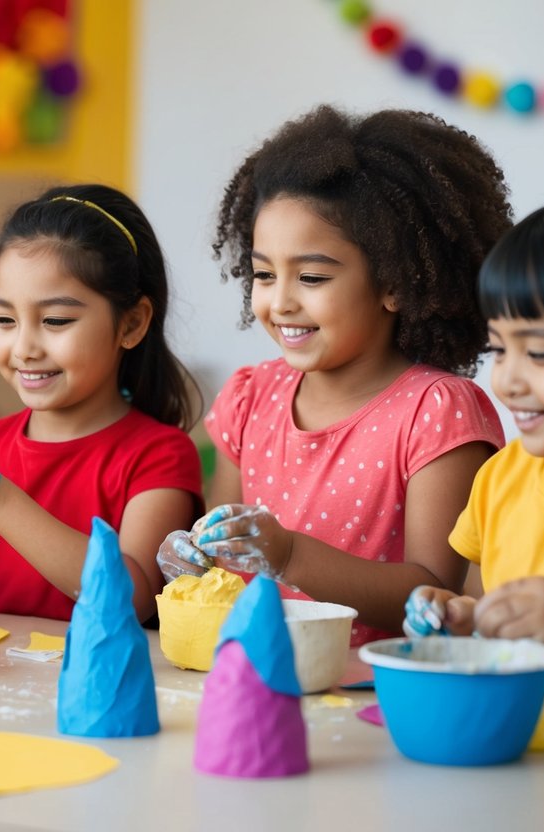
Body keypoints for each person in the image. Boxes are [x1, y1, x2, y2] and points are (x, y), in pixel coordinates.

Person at [157, 105, 512, 646]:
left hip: (371, 699)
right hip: (254, 675)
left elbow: (433, 591)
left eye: (313, 276)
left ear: (397, 282)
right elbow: (228, 558)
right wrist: (192, 556)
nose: (280, 302)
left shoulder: (438, 412)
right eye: (264, 274)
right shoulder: (251, 396)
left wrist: (292, 555)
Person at [0, 184, 203, 622]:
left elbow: (132, 598)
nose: (24, 347)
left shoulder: (160, 455)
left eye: (55, 321)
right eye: (4, 319)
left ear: (133, 323)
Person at [404, 186, 544, 684]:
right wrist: (464, 617)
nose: (508, 380)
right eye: (499, 350)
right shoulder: (500, 480)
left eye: (538, 353)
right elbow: (484, 606)